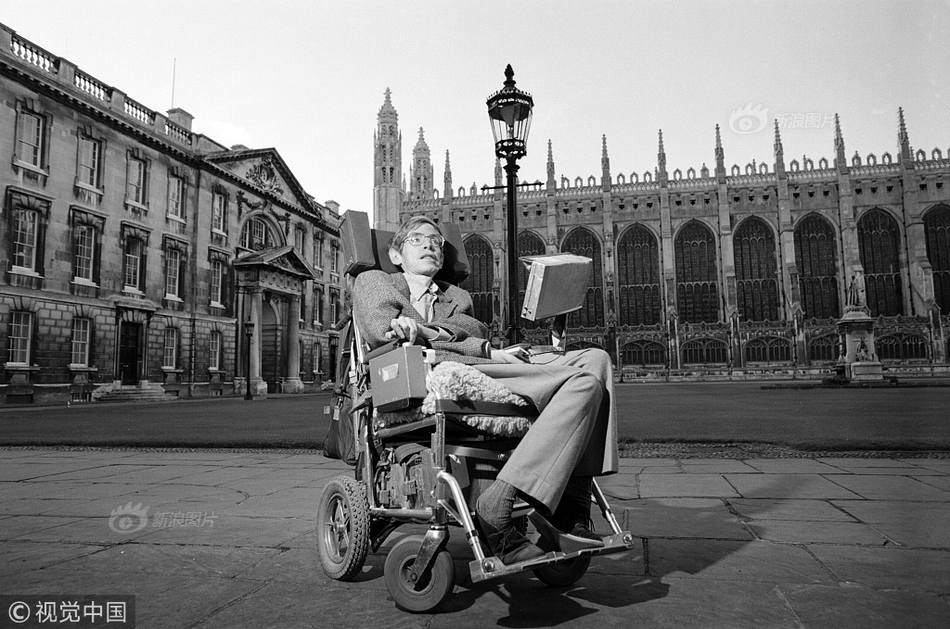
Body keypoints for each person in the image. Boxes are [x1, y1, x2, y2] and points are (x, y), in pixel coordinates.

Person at [352, 216, 618, 565]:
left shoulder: (458, 296)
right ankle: (503, 503)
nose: (432, 245)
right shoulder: (376, 280)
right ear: (397, 254)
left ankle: (572, 514)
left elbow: (471, 332)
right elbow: (379, 328)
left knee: (595, 361)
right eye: (419, 240)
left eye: (437, 242)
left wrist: (427, 332)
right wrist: (451, 340)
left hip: (483, 363)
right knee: (584, 386)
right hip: (423, 372)